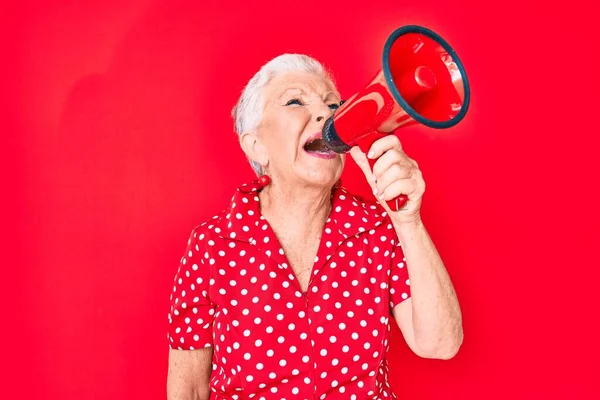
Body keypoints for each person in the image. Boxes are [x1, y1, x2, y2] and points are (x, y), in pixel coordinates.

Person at [166, 53, 463, 400]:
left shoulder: (379, 230)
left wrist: (407, 220)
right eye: (294, 101)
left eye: (333, 104)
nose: (326, 115)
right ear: (256, 145)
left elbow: (440, 344)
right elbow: (188, 388)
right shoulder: (211, 245)